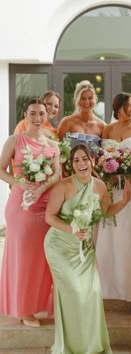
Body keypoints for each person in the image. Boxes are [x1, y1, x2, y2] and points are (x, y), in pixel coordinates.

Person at [44, 143, 131, 354]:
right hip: (60, 247)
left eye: (85, 159)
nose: (81, 163)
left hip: (85, 248)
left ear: (93, 161)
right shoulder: (63, 186)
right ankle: (70, 346)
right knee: (73, 290)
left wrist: (125, 201)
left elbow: (107, 211)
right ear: (72, 165)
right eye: (76, 160)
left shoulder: (100, 186)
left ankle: (90, 346)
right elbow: (49, 217)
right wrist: (70, 228)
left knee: (91, 293)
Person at [0, 98, 60, 327]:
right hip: (22, 205)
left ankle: (42, 305)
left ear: (47, 116)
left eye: (41, 114)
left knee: (46, 257)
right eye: (33, 113)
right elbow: (0, 169)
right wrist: (18, 182)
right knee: (25, 257)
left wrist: (43, 188)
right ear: (25, 115)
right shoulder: (15, 140)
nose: (37, 118)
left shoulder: (52, 143)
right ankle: (24, 309)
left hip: (46, 205)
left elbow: (57, 174)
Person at [96, 92, 131, 302]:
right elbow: (101, 157)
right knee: (111, 230)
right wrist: (108, 168)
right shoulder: (107, 129)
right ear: (118, 107)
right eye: (128, 105)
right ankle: (110, 285)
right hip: (112, 188)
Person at [57, 80, 106, 148]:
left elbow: (105, 153)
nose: (87, 102)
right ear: (77, 99)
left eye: (90, 98)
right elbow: (57, 149)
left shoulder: (102, 126)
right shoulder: (66, 122)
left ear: (95, 99)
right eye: (83, 98)